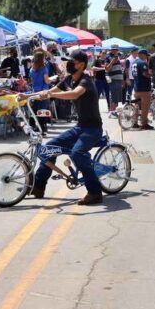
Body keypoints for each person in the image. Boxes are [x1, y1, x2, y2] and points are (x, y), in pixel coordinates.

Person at [30, 50, 108, 206]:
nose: (68, 64)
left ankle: (95, 192)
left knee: (77, 153)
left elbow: (73, 94)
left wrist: (52, 95)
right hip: (79, 127)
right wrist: (27, 96)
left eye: (72, 61)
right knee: (48, 148)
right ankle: (38, 187)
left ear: (81, 65)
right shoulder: (69, 79)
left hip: (92, 129)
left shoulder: (85, 81)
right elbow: (49, 91)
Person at [29, 49, 57, 134]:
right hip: (44, 92)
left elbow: (32, 82)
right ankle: (42, 128)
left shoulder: (31, 69)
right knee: (43, 111)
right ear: (42, 58)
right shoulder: (44, 68)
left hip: (35, 92)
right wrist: (53, 79)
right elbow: (47, 81)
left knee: (34, 110)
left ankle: (32, 126)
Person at [133, 49, 153, 129]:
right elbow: (145, 73)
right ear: (142, 54)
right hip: (144, 88)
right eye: (146, 55)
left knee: (137, 106)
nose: (146, 57)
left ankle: (134, 122)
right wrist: (151, 75)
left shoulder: (134, 63)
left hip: (136, 87)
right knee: (145, 106)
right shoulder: (142, 63)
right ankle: (144, 123)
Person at [106, 45, 125, 116]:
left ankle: (116, 111)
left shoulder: (119, 57)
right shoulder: (108, 57)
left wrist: (123, 80)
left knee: (119, 96)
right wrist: (113, 61)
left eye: (116, 49)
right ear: (111, 50)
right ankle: (112, 111)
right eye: (113, 49)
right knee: (113, 95)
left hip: (119, 79)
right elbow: (107, 69)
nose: (115, 51)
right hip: (113, 78)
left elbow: (120, 69)